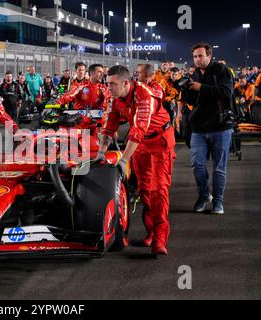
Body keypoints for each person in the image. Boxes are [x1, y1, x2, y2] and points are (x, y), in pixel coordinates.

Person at [98, 65, 175, 256]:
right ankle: (152, 230)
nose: (109, 88)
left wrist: (124, 159)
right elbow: (108, 127)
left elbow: (139, 129)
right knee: (144, 189)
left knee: (159, 190)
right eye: (107, 84)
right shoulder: (114, 98)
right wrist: (101, 152)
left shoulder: (144, 94)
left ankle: (159, 237)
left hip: (160, 142)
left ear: (126, 83)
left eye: (113, 84)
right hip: (140, 146)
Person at [181, 42, 234, 215]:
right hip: (198, 128)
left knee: (219, 168)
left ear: (209, 56)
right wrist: (185, 89)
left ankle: (218, 200)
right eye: (195, 56)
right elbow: (191, 101)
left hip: (221, 126)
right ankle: (204, 195)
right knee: (197, 165)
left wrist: (201, 87)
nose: (197, 59)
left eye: (200, 56)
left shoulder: (221, 70)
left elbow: (226, 92)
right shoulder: (194, 74)